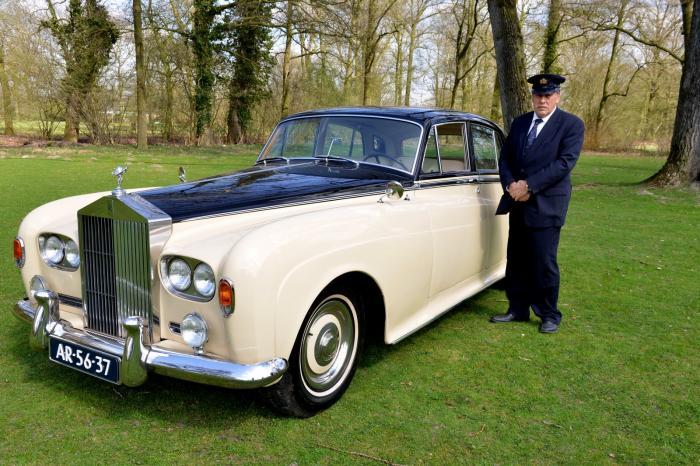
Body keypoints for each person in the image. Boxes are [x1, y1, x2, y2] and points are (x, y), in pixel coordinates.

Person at [491, 73, 585, 333]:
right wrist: (511, 185)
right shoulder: (520, 123)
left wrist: (529, 186)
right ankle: (517, 309)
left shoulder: (571, 125)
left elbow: (564, 163)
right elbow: (506, 158)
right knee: (517, 259)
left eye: (548, 95)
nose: (542, 100)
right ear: (532, 97)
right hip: (517, 202)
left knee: (543, 262)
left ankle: (549, 314)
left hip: (547, 205)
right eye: (538, 95)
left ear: (557, 97)